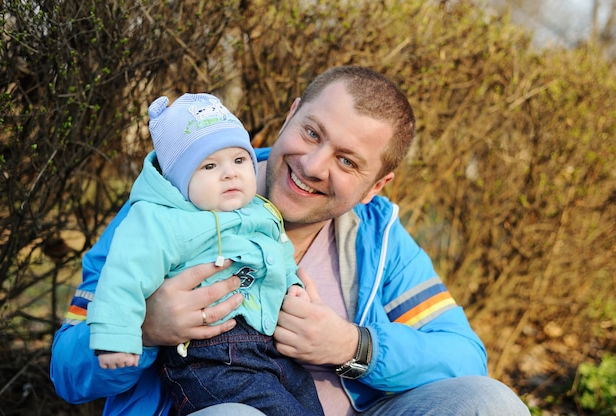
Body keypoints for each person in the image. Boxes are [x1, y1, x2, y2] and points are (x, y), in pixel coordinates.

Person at [51, 66, 530, 415]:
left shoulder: (378, 237)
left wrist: (351, 345)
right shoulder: (174, 202)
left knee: (488, 404)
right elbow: (67, 370)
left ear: (376, 185)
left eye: (348, 162)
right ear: (291, 114)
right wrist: (146, 328)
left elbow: (465, 357)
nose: (314, 165)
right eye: (312, 133)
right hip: (212, 404)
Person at [85, 93, 323, 416]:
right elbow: (124, 274)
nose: (230, 173)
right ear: (180, 181)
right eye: (210, 165)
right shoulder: (162, 220)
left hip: (270, 350)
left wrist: (293, 286)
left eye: (239, 161)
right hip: (209, 358)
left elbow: (279, 255)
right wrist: (119, 336)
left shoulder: (261, 212)